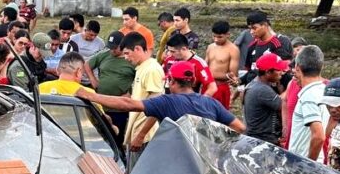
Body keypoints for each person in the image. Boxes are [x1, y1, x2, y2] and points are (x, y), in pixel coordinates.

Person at [83, 60, 246, 142]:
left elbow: (128, 104)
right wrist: (215, 142)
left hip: (177, 163)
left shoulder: (166, 102)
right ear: (193, 81)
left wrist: (92, 96)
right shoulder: (211, 103)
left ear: (172, 81)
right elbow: (239, 127)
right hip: (205, 165)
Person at [83, 31, 134, 139]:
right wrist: (93, 80)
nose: (112, 50)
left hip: (119, 107)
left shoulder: (130, 58)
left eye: (115, 48)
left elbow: (139, 78)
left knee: (116, 137)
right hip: (101, 105)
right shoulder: (105, 55)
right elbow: (87, 65)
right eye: (110, 47)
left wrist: (131, 94)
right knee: (98, 135)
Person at [120, 32, 166, 151]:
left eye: (127, 53)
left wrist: (141, 135)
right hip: (137, 132)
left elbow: (157, 106)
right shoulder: (142, 67)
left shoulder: (151, 69)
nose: (125, 58)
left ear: (138, 49)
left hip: (145, 137)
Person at [287, 45, 328, 162]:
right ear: (321, 67)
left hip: (302, 164)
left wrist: (309, 165)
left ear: (297, 68)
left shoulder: (309, 96)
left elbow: (319, 136)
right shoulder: (323, 90)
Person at [242, 52, 288, 145]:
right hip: (263, 141)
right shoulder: (262, 90)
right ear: (268, 72)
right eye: (278, 69)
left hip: (254, 138)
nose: (282, 72)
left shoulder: (253, 84)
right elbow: (283, 106)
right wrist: (291, 86)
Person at [164, 33, 217, 98]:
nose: (170, 54)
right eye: (169, 51)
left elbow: (212, 87)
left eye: (173, 51)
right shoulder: (169, 60)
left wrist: (200, 101)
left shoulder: (198, 63)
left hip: (188, 101)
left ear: (184, 49)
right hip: (169, 100)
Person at [205, 20, 240, 109]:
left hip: (221, 88)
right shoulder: (210, 47)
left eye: (220, 37)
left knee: (220, 115)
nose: (216, 39)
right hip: (207, 86)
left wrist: (234, 79)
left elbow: (232, 75)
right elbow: (205, 67)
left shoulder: (233, 49)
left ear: (228, 34)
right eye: (214, 36)